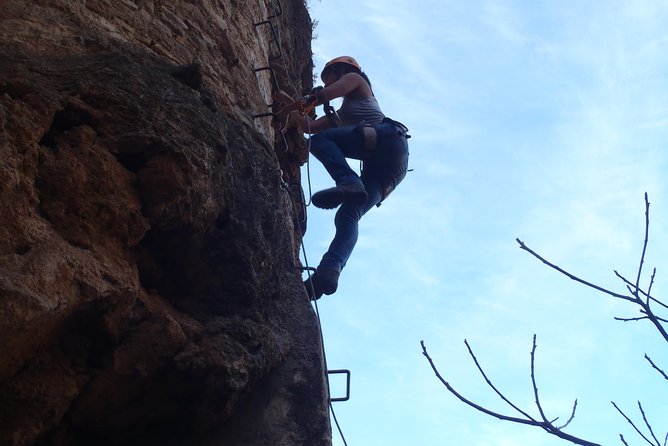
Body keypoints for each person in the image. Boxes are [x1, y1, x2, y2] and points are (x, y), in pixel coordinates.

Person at [289, 56, 410, 300]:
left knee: (322, 142)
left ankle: (348, 181)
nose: (327, 82)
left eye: (328, 76)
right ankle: (329, 271)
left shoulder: (356, 80)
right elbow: (308, 127)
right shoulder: (341, 116)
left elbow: (326, 95)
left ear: (341, 70)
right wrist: (289, 112)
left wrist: (307, 100)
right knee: (347, 214)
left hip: (388, 138)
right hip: (387, 171)